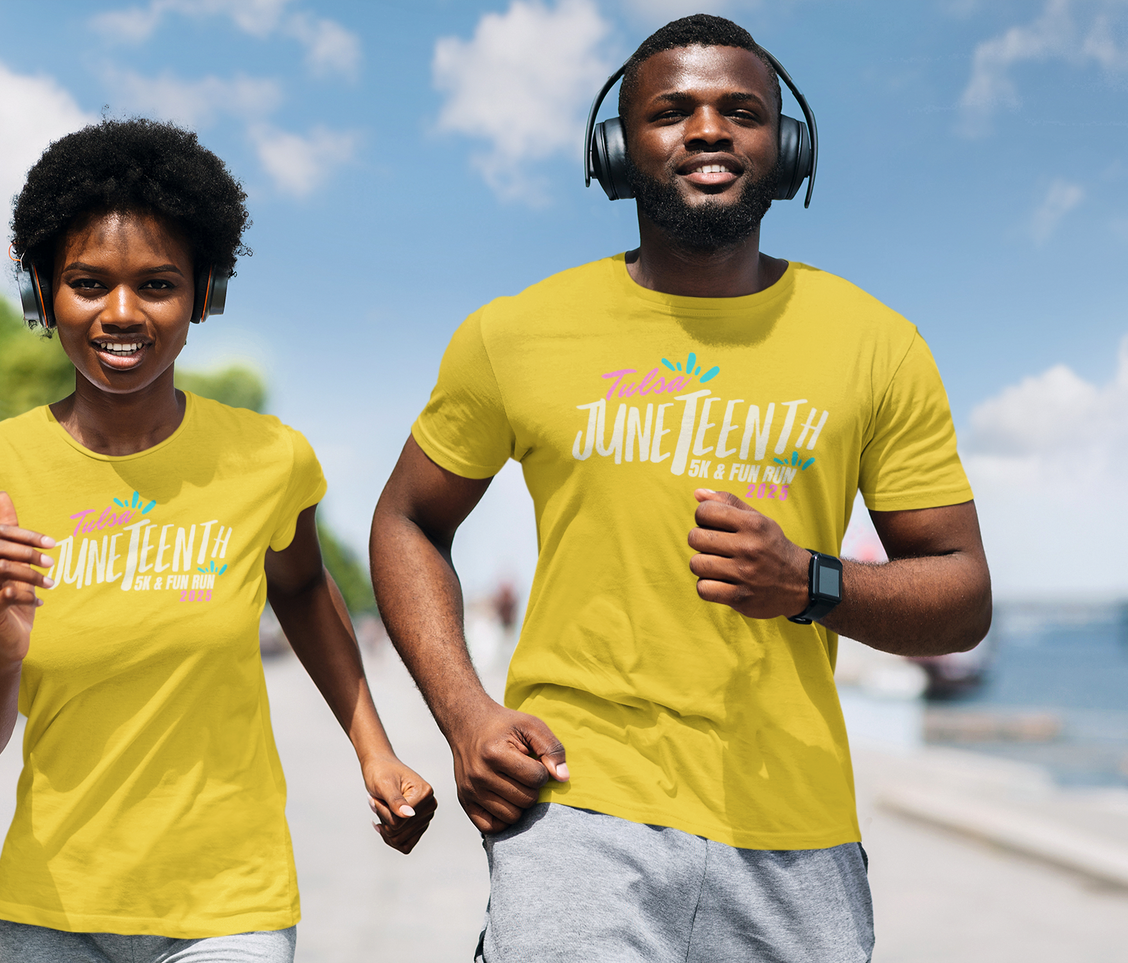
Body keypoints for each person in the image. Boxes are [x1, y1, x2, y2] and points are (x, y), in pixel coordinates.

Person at [370, 14, 990, 963]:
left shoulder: (877, 343)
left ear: (785, 149)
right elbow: (408, 517)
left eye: (740, 111)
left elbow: (960, 594)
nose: (707, 130)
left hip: (796, 834)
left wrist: (809, 582)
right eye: (672, 111)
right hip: (578, 808)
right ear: (619, 150)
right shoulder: (517, 333)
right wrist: (464, 714)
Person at [0, 118, 435, 963]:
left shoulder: (266, 456)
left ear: (204, 293)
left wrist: (375, 747)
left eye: (156, 284)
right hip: (51, 911)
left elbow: (297, 587)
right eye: (84, 283)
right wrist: (3, 654)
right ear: (41, 288)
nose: (120, 313)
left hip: (230, 905)